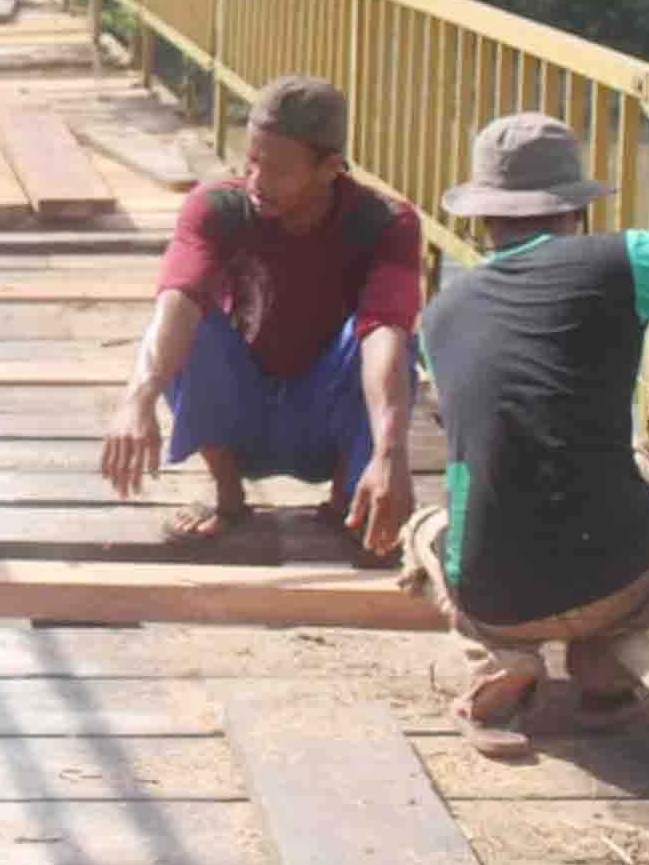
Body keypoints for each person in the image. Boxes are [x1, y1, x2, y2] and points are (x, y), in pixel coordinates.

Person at [405, 95, 649, 757]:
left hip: (498, 596)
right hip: (615, 578)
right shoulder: (617, 262)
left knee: (428, 528)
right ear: (577, 210)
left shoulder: (440, 314)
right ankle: (604, 656)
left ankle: (501, 660)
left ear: (478, 219)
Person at [99, 75, 421, 560]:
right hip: (240, 414)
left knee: (391, 339)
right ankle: (228, 498)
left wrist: (391, 454)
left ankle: (346, 504)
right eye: (251, 161)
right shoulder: (216, 207)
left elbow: (385, 330)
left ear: (330, 167)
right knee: (192, 324)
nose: (255, 182)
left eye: (276, 170)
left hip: (323, 419)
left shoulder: (386, 222)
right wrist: (136, 398)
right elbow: (178, 297)